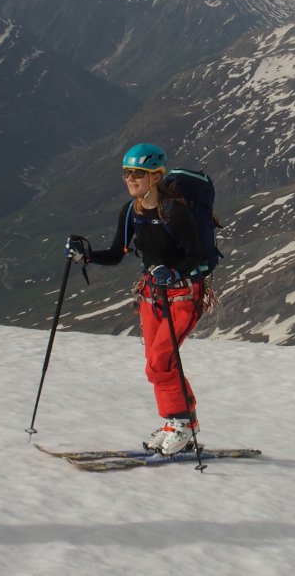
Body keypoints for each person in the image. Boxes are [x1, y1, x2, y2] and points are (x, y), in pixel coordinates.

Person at [76, 142, 208, 455]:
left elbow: (195, 256)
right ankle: (179, 422)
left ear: (155, 176)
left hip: (184, 294)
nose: (130, 179)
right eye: (127, 173)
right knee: (156, 363)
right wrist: (86, 256)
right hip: (151, 294)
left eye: (138, 173)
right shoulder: (131, 212)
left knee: (162, 359)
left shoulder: (175, 211)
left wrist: (175, 274)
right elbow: (116, 253)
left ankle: (181, 422)